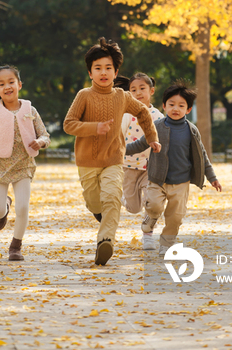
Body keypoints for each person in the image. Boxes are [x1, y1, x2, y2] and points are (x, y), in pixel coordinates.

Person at [63, 37, 161, 266]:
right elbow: (69, 124)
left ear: (116, 72)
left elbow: (144, 113)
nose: (103, 72)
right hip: (87, 161)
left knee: (112, 197)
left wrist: (152, 138)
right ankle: (101, 216)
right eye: (98, 68)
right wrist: (94, 128)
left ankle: (105, 241)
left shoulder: (122, 96)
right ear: (90, 72)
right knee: (94, 201)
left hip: (114, 159)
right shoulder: (83, 95)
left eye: (108, 68)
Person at [126, 79, 222, 255]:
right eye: (171, 104)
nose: (175, 109)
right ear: (164, 106)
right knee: (154, 206)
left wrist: (212, 177)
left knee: (175, 217)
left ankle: (166, 243)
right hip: (157, 179)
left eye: (181, 105)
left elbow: (202, 156)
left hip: (181, 182)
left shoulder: (191, 130)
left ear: (188, 109)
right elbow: (140, 145)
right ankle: (150, 221)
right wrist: (119, 151)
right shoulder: (157, 127)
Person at [0, 65, 50, 261]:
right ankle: (4, 205)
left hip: (23, 164)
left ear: (19, 85)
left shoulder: (29, 109)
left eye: (11, 82)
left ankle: (16, 246)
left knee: (23, 207)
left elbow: (45, 135)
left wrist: (40, 142)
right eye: (2, 84)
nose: (7, 86)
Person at [121, 73, 163, 217]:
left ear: (151, 91)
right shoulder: (127, 114)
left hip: (149, 168)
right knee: (134, 208)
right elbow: (119, 136)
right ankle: (122, 197)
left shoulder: (158, 116)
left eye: (142, 88)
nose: (138, 93)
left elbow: (162, 139)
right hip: (128, 167)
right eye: (133, 90)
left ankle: (148, 231)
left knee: (151, 201)